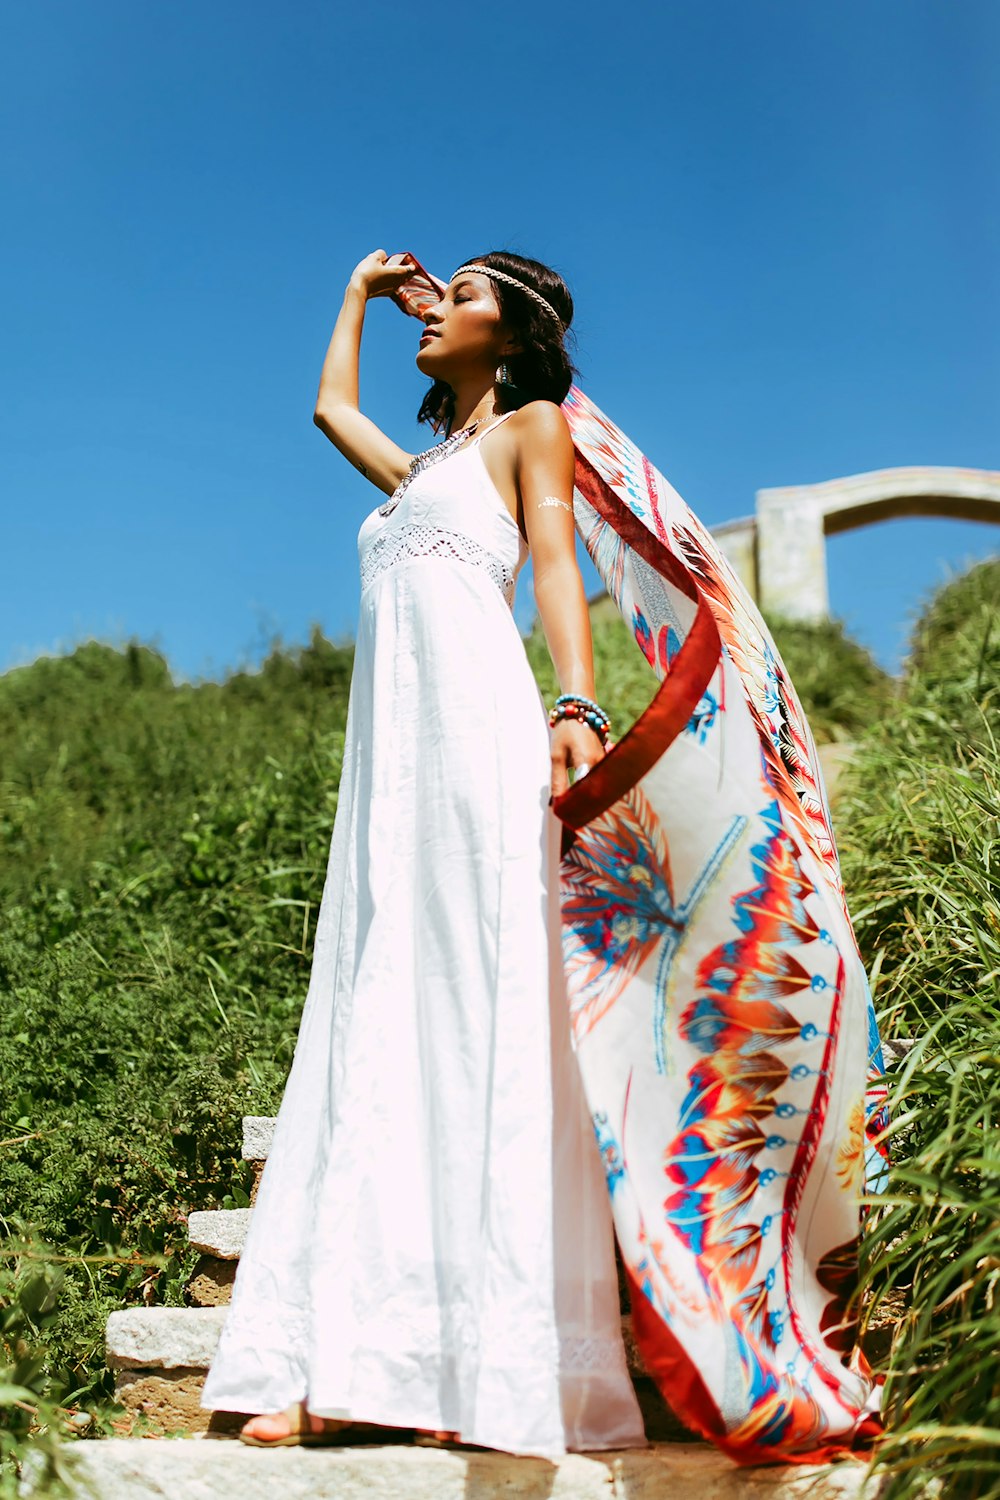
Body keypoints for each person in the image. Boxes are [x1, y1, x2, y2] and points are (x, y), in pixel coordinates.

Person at [198, 248, 649, 1459]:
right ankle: (342, 1355)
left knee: (465, 1011)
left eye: (462, 297)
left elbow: (556, 563)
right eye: (433, 293)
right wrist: (350, 290)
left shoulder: (532, 430)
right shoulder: (421, 472)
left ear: (512, 336)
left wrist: (575, 704)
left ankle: (476, 1372)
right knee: (380, 1010)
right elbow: (327, 407)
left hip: (476, 746)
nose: (434, 308)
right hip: (388, 770)